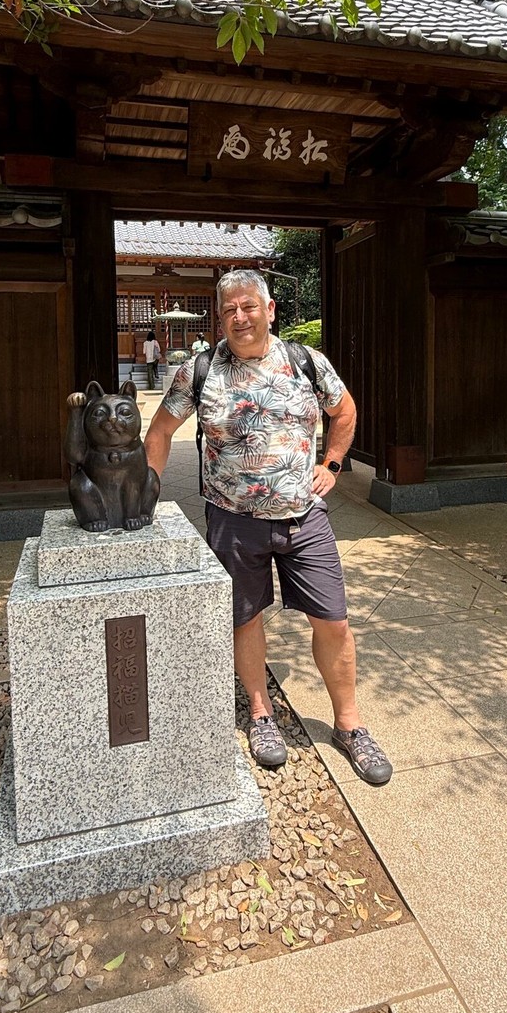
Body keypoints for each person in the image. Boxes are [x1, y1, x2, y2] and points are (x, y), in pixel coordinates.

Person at [144, 270, 392, 786]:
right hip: (232, 520)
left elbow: (343, 410)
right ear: (221, 316)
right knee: (245, 618)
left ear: (270, 309)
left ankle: (349, 723)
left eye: (249, 307)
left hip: (305, 517)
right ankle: (261, 714)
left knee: (334, 621)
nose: (240, 317)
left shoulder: (307, 361)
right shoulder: (201, 369)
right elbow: (161, 429)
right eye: (230, 309)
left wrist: (334, 464)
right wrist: (145, 497)